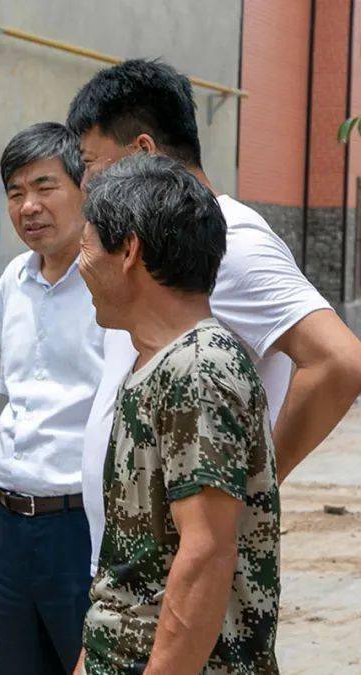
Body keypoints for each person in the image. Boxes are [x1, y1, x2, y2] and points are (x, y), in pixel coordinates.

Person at [67, 58, 361, 580]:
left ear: (141, 151)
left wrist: (254, 488)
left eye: (91, 162)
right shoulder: (140, 246)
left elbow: (339, 361)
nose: (85, 181)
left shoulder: (236, 243)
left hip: (183, 566)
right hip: (128, 561)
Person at [77, 153, 279, 673]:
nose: (81, 265)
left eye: (87, 245)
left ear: (129, 251)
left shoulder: (199, 370)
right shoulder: (159, 363)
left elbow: (207, 551)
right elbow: (129, 568)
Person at [0, 123, 101, 674]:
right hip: (11, 520)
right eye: (15, 193)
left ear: (84, 188)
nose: (29, 206)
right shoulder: (14, 278)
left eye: (44, 186)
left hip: (82, 524)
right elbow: (16, 395)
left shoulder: (113, 279)